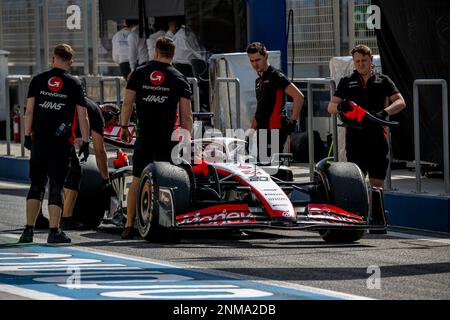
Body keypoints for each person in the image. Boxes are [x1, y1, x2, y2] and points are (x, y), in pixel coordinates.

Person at [119, 36, 193, 239]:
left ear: (155, 52)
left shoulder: (140, 73)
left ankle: (128, 225)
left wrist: (124, 126)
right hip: (166, 138)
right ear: (173, 54)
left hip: (144, 136)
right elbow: (186, 115)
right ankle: (165, 221)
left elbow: (127, 103)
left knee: (136, 180)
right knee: (167, 180)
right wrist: (186, 139)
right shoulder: (179, 78)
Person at [19, 43, 90, 244]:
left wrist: (26, 135)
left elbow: (29, 111)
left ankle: (28, 231)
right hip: (61, 143)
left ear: (53, 58)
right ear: (71, 61)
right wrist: (85, 141)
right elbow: (83, 116)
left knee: (36, 185)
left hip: (39, 140)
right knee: (57, 185)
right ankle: (53, 231)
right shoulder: (74, 84)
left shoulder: (38, 80)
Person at [327, 44, 406, 188]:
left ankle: (377, 210)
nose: (360, 64)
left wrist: (384, 112)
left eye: (364, 60)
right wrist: (340, 106)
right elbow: (330, 107)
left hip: (377, 137)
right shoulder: (346, 81)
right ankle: (360, 210)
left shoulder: (383, 80)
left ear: (370, 59)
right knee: (357, 183)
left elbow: (401, 102)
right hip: (355, 138)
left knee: (377, 184)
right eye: (357, 61)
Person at [60, 98, 117, 230]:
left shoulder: (87, 106)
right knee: (75, 172)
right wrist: (105, 180)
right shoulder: (96, 113)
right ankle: (66, 218)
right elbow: (99, 150)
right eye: (110, 123)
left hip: (46, 131)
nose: (107, 127)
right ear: (108, 115)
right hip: (61, 136)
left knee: (49, 177)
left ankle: (38, 218)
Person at [246, 42, 304, 161]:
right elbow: (260, 107)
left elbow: (299, 96)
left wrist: (292, 122)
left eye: (258, 60)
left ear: (266, 56)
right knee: (262, 166)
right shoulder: (258, 81)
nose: (255, 64)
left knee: (271, 167)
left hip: (275, 129)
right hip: (262, 129)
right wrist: (251, 131)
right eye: (252, 61)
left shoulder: (276, 75)